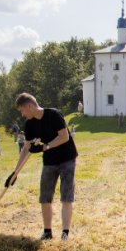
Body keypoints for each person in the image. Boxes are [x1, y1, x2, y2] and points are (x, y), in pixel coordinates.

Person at [9, 93, 79, 241]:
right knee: (45, 198)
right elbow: (26, 148)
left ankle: (65, 234)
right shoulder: (29, 124)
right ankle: (47, 232)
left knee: (66, 197)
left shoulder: (53, 115)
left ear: (29, 106)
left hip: (67, 158)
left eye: (22, 110)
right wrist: (15, 173)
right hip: (49, 162)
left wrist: (45, 147)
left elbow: (64, 137)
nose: (22, 114)